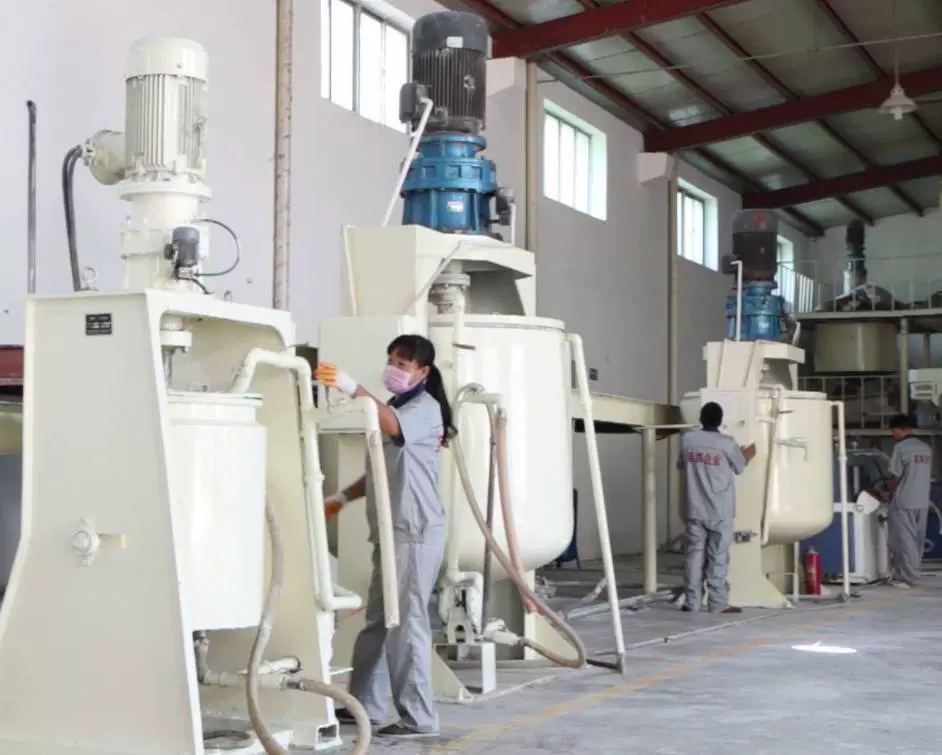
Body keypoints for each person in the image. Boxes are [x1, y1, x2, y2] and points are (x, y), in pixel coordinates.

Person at [315, 334, 454, 740]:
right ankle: (365, 706)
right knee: (379, 620)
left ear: (423, 372)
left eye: (403, 363)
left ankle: (419, 718)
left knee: (406, 623)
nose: (393, 368)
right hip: (392, 533)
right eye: (391, 359)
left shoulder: (423, 409)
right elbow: (381, 466)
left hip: (413, 531)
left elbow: (391, 427)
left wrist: (352, 387)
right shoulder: (396, 405)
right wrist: (342, 497)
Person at [678, 402, 756, 614]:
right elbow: (739, 467)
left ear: (701, 418)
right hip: (720, 510)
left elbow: (681, 465)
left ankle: (692, 602)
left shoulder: (687, 441)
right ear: (720, 421)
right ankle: (717, 603)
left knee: (694, 557)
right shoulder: (727, 443)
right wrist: (747, 455)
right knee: (718, 557)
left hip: (694, 508)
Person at [886, 413, 932, 589]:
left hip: (904, 500)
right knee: (917, 540)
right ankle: (906, 573)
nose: (893, 434)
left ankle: (909, 579)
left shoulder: (901, 448)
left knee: (904, 540)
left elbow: (896, 476)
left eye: (894, 430)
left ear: (902, 429)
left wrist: (888, 492)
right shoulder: (926, 448)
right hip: (922, 500)